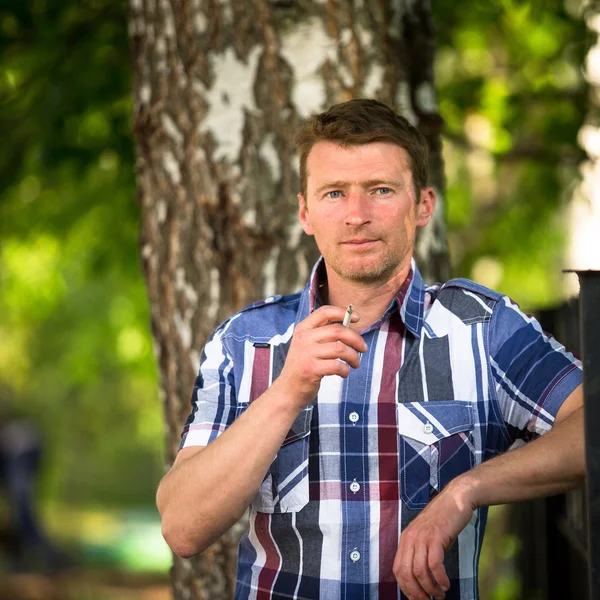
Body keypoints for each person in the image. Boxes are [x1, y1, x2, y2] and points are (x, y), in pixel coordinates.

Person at [156, 99, 584, 600]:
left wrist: (463, 492)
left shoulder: (483, 329)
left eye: (380, 190)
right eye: (334, 193)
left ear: (423, 205)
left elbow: (591, 430)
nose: (357, 216)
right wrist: (288, 391)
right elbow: (184, 528)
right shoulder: (245, 341)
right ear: (306, 212)